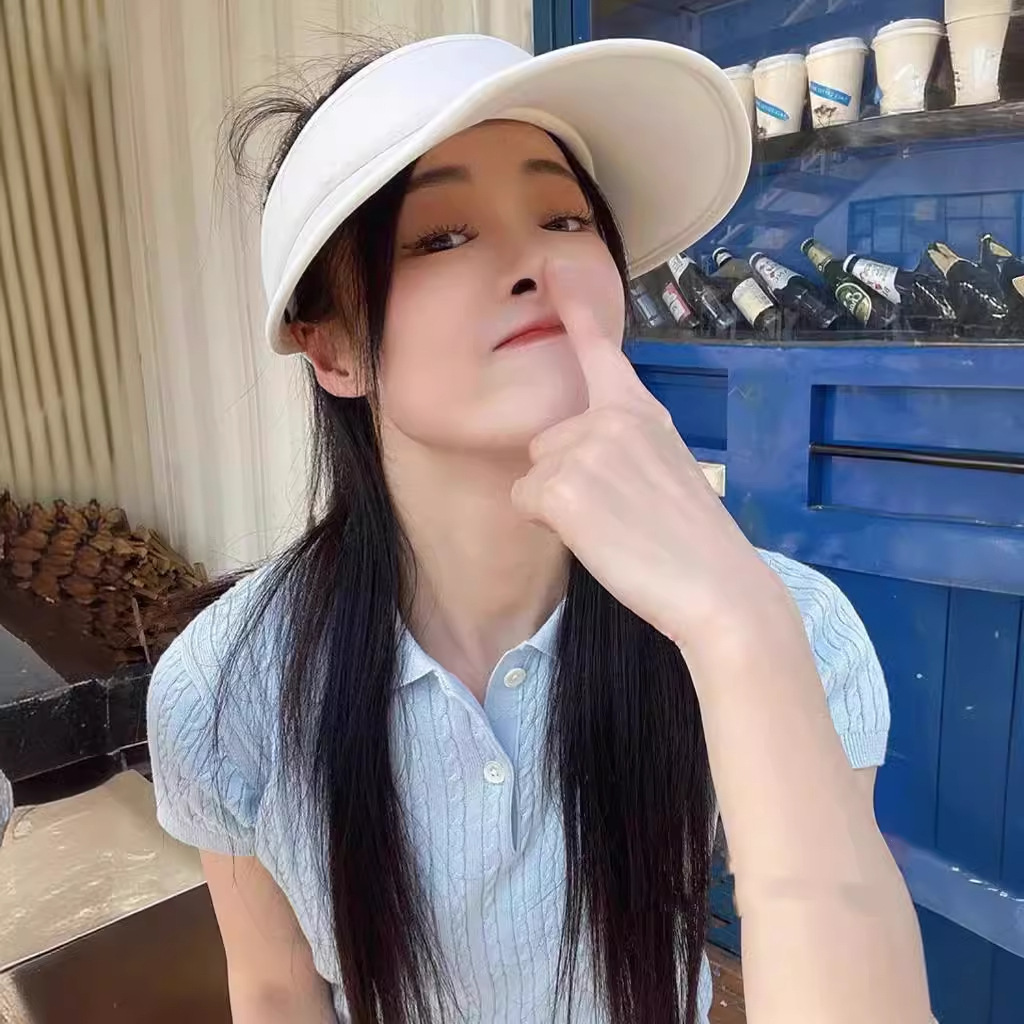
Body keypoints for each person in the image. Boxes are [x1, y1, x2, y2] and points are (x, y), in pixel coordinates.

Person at [147, 34, 932, 1024]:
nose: (536, 262)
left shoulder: (790, 628)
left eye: (565, 218)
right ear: (333, 348)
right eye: (440, 235)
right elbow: (272, 989)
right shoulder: (227, 684)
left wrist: (738, 630)